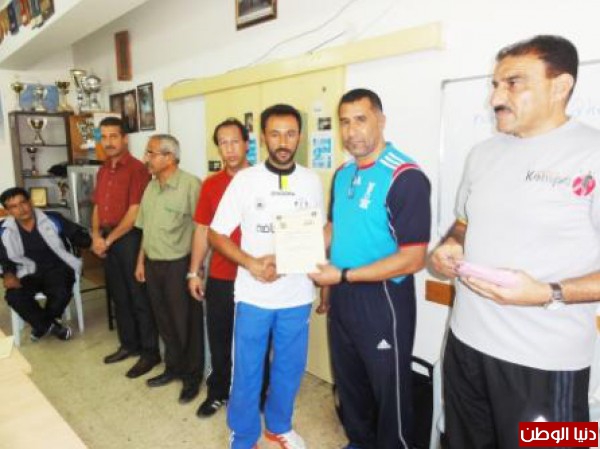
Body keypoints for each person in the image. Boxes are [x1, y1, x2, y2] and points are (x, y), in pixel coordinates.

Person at [429, 35, 600, 449]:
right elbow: (464, 222)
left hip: (546, 363)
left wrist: (548, 292)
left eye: (513, 83)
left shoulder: (592, 154)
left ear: (560, 86)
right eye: (495, 84)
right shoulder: (483, 154)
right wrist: (451, 245)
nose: (495, 98)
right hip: (465, 346)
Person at [310, 88, 431, 449]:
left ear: (381, 120)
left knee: (389, 389)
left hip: (383, 298)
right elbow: (334, 229)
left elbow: (414, 258)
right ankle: (360, 441)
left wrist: (342, 275)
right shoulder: (343, 173)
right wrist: (292, 253)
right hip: (342, 293)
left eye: (361, 120)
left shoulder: (405, 176)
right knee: (350, 381)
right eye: (344, 122)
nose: (351, 131)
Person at [209, 104, 324, 449]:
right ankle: (244, 435)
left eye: (290, 134)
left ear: (299, 136)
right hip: (253, 295)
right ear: (262, 138)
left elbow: (317, 234)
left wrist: (310, 272)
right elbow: (217, 233)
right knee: (247, 370)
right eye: (275, 134)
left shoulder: (311, 181)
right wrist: (250, 263)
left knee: (289, 368)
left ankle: (279, 426)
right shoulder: (245, 181)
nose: (283, 142)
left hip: (297, 294)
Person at [135, 134, 204, 404]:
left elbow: (202, 229)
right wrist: (141, 261)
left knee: (186, 325)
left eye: (151, 153)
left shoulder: (190, 185)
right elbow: (146, 229)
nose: (146, 158)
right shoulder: (151, 187)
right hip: (153, 265)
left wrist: (196, 270)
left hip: (179, 265)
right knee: (163, 321)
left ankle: (192, 377)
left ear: (169, 157)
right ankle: (173, 368)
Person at [188, 118, 251, 417]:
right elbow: (202, 229)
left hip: (256, 278)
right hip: (222, 276)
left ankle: (255, 392)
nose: (229, 149)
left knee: (254, 341)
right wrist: (194, 271)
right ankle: (218, 391)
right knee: (220, 337)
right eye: (223, 143)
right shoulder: (211, 185)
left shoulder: (263, 180)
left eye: (235, 141)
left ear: (247, 144)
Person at [92, 116, 160, 378]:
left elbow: (134, 213)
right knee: (119, 297)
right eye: (104, 137)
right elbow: (97, 206)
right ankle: (129, 345)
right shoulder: (102, 170)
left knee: (138, 297)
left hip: (130, 239)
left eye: (113, 136)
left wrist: (108, 240)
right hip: (107, 238)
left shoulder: (137, 169)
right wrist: (95, 235)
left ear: (124, 139)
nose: (108, 142)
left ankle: (149, 353)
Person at [0, 187, 91, 341]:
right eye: (14, 206)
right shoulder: (3, 231)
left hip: (58, 268)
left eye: (23, 202)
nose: (21, 209)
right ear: (8, 211)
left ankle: (41, 326)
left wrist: (93, 241)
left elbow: (76, 234)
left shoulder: (52, 218)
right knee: (14, 295)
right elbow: (4, 258)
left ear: (30, 202)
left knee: (61, 292)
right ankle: (52, 326)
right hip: (26, 272)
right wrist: (8, 274)